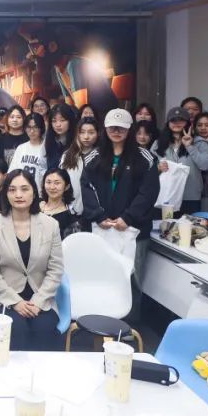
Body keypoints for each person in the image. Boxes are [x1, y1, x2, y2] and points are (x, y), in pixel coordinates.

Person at [81, 108, 160, 315]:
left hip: (134, 229)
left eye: (121, 128)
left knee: (132, 277)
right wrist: (98, 216)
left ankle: (130, 324)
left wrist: (129, 217)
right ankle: (100, 316)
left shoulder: (145, 158)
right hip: (103, 228)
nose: (116, 132)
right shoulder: (93, 157)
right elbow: (86, 189)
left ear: (130, 129)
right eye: (112, 128)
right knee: (101, 273)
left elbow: (149, 192)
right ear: (105, 129)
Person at [0, 170, 65, 351]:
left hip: (40, 296)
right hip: (3, 297)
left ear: (34, 193)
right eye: (12, 190)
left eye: (24, 189)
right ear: (6, 194)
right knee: (16, 328)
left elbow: (56, 269)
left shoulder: (50, 225)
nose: (18, 195)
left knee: (43, 328)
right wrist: (15, 302)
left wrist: (39, 301)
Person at [155, 106, 208, 216]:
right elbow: (147, 166)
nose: (177, 123)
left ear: (188, 123)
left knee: (188, 226)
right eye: (173, 120)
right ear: (168, 123)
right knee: (167, 225)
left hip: (190, 197)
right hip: (166, 196)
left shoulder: (199, 143)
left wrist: (190, 146)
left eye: (181, 120)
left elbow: (206, 165)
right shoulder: (159, 143)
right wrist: (157, 167)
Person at [58, 118, 97, 224]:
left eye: (91, 132)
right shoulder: (68, 155)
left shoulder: (101, 156)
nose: (86, 136)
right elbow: (61, 181)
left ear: (98, 134)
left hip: (96, 213)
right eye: (82, 132)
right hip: (71, 211)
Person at [10, 110, 47, 187]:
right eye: (29, 127)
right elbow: (12, 172)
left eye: (35, 127)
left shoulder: (47, 147)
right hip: (22, 190)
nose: (32, 131)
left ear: (41, 128)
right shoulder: (21, 148)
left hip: (40, 191)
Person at [40, 168, 80, 238]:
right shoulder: (34, 206)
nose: (52, 187)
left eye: (57, 183)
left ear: (66, 187)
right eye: (48, 182)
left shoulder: (69, 219)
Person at [45, 103, 78, 170]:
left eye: (62, 120)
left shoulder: (77, 142)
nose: (58, 125)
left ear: (70, 121)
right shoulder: (49, 141)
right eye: (54, 121)